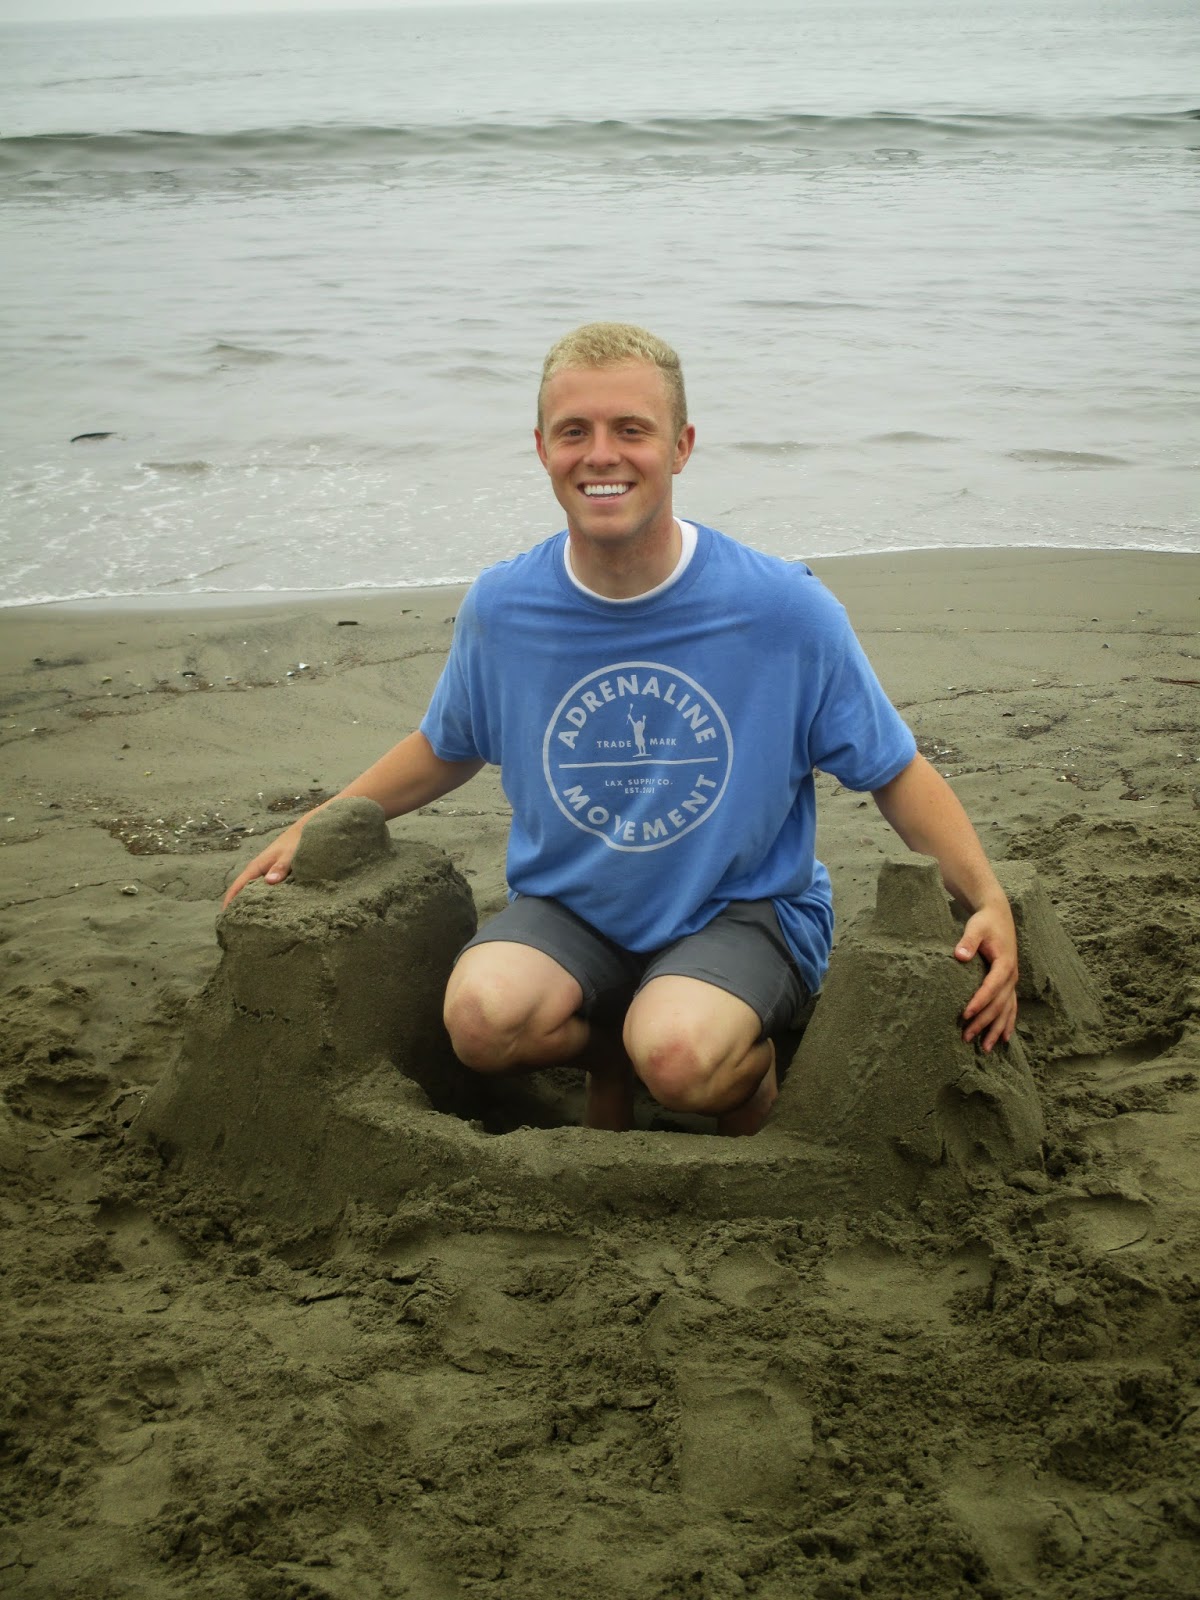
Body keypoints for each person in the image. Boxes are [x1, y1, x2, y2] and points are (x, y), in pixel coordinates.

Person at [224, 323, 1018, 1135]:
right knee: (480, 1020)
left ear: (681, 447)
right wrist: (321, 825)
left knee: (677, 1057)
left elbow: (892, 769)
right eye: (575, 432)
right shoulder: (504, 607)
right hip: (574, 908)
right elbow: (444, 746)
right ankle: (608, 1054)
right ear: (543, 449)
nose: (601, 455)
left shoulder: (781, 609)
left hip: (740, 910)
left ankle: (751, 1074)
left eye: (631, 430)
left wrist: (986, 898)